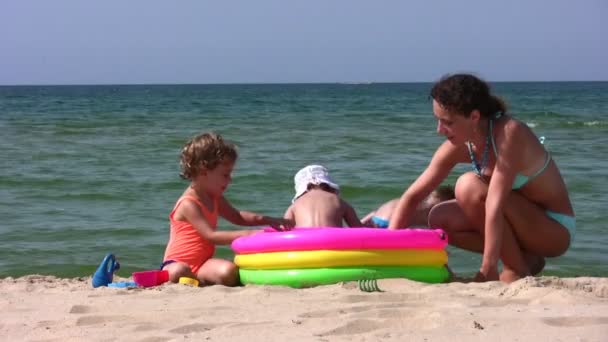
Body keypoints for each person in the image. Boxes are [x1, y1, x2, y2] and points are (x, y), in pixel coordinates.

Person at [388, 74, 575, 283]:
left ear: (474, 117)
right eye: (437, 120)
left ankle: (516, 269)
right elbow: (412, 197)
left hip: (553, 231)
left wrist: (487, 269)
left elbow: (494, 205)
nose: (439, 130)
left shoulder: (509, 133)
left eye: (447, 122)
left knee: (468, 186)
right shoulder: (461, 144)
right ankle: (524, 260)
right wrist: (388, 251)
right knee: (440, 216)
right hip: (520, 225)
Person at [161, 132, 293, 286]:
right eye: (225, 174)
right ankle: (187, 278)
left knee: (228, 271)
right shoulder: (188, 204)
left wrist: (270, 221)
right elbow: (211, 235)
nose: (230, 179)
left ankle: (197, 280)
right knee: (180, 271)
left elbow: (237, 217)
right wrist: (250, 234)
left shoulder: (214, 198)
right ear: (203, 171)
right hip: (176, 263)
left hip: (203, 264)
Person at [283, 165, 363, 228]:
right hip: (333, 242)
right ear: (329, 185)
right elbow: (359, 229)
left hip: (305, 243)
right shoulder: (338, 201)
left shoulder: (295, 205)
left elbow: (285, 226)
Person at [362, 185, 455, 228]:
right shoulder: (434, 213)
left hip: (375, 218)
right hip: (390, 225)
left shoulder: (417, 201)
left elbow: (373, 213)